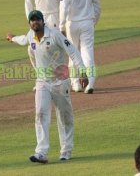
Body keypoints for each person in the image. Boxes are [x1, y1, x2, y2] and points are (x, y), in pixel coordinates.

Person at [6, 10, 87, 164]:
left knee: (64, 117)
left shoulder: (55, 34)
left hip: (60, 81)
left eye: (37, 20)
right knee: (41, 114)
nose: (35, 22)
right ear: (29, 24)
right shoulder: (31, 35)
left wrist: (82, 72)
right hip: (42, 82)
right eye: (32, 20)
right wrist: (12, 38)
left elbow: (73, 51)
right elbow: (23, 40)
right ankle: (41, 152)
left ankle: (66, 150)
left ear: (43, 21)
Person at [59, 0, 101, 94]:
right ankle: (90, 84)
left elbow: (63, 9)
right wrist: (94, 21)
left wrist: (61, 26)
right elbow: (97, 7)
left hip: (72, 25)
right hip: (87, 23)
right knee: (88, 53)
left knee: (73, 54)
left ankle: (76, 83)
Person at [25, 0, 63, 68]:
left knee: (53, 47)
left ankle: (58, 77)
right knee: (32, 49)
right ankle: (40, 78)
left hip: (54, 16)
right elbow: (28, 1)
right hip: (38, 19)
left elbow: (62, 0)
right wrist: (30, 20)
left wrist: (62, 21)